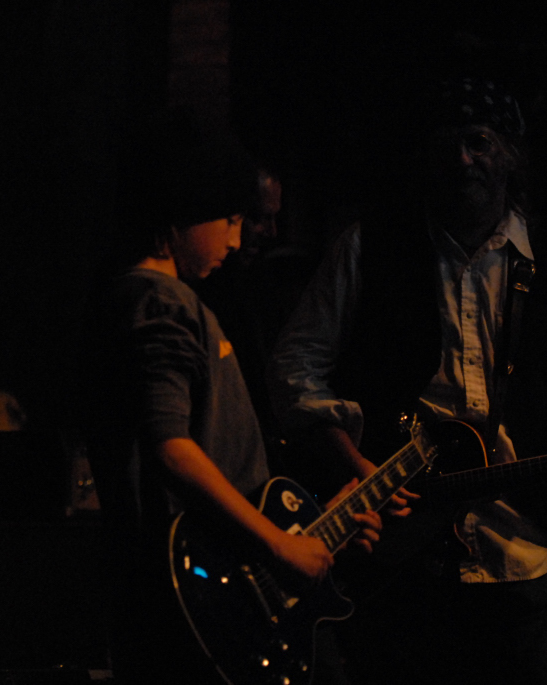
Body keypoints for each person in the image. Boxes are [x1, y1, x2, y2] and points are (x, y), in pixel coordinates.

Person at [267, 75, 547, 684]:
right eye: (448, 144)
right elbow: (294, 366)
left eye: (479, 141)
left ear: (511, 155)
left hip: (521, 555)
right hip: (397, 563)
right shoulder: (370, 246)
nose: (462, 159)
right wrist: (355, 464)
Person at [81, 111, 381, 684]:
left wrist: (316, 528)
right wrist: (279, 547)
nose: (238, 239)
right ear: (182, 213)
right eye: (229, 219)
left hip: (221, 577)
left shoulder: (138, 299)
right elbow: (172, 449)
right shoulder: (161, 303)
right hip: (204, 591)